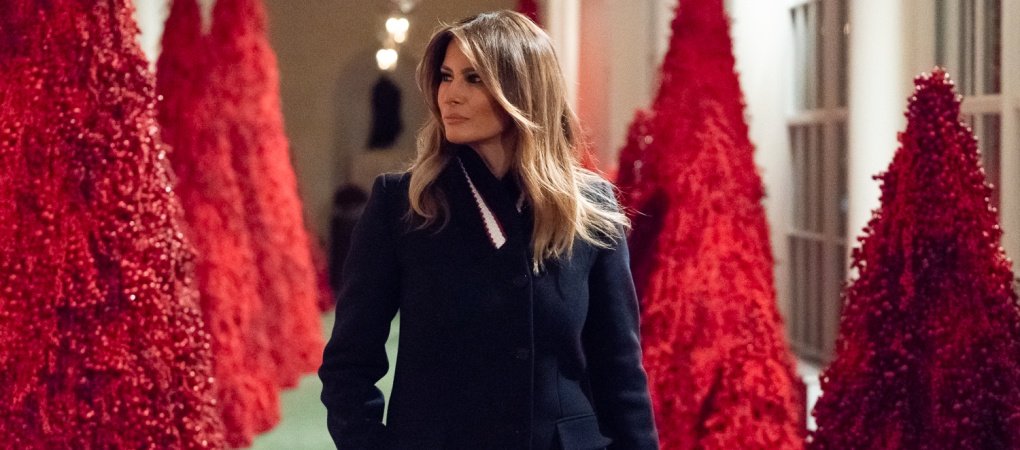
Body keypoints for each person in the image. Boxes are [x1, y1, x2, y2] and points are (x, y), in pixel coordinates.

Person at [319, 10, 659, 450]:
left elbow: (620, 372)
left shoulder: (590, 207)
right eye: (446, 77)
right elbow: (349, 366)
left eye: (473, 79)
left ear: (523, 90)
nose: (450, 95)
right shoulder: (403, 203)